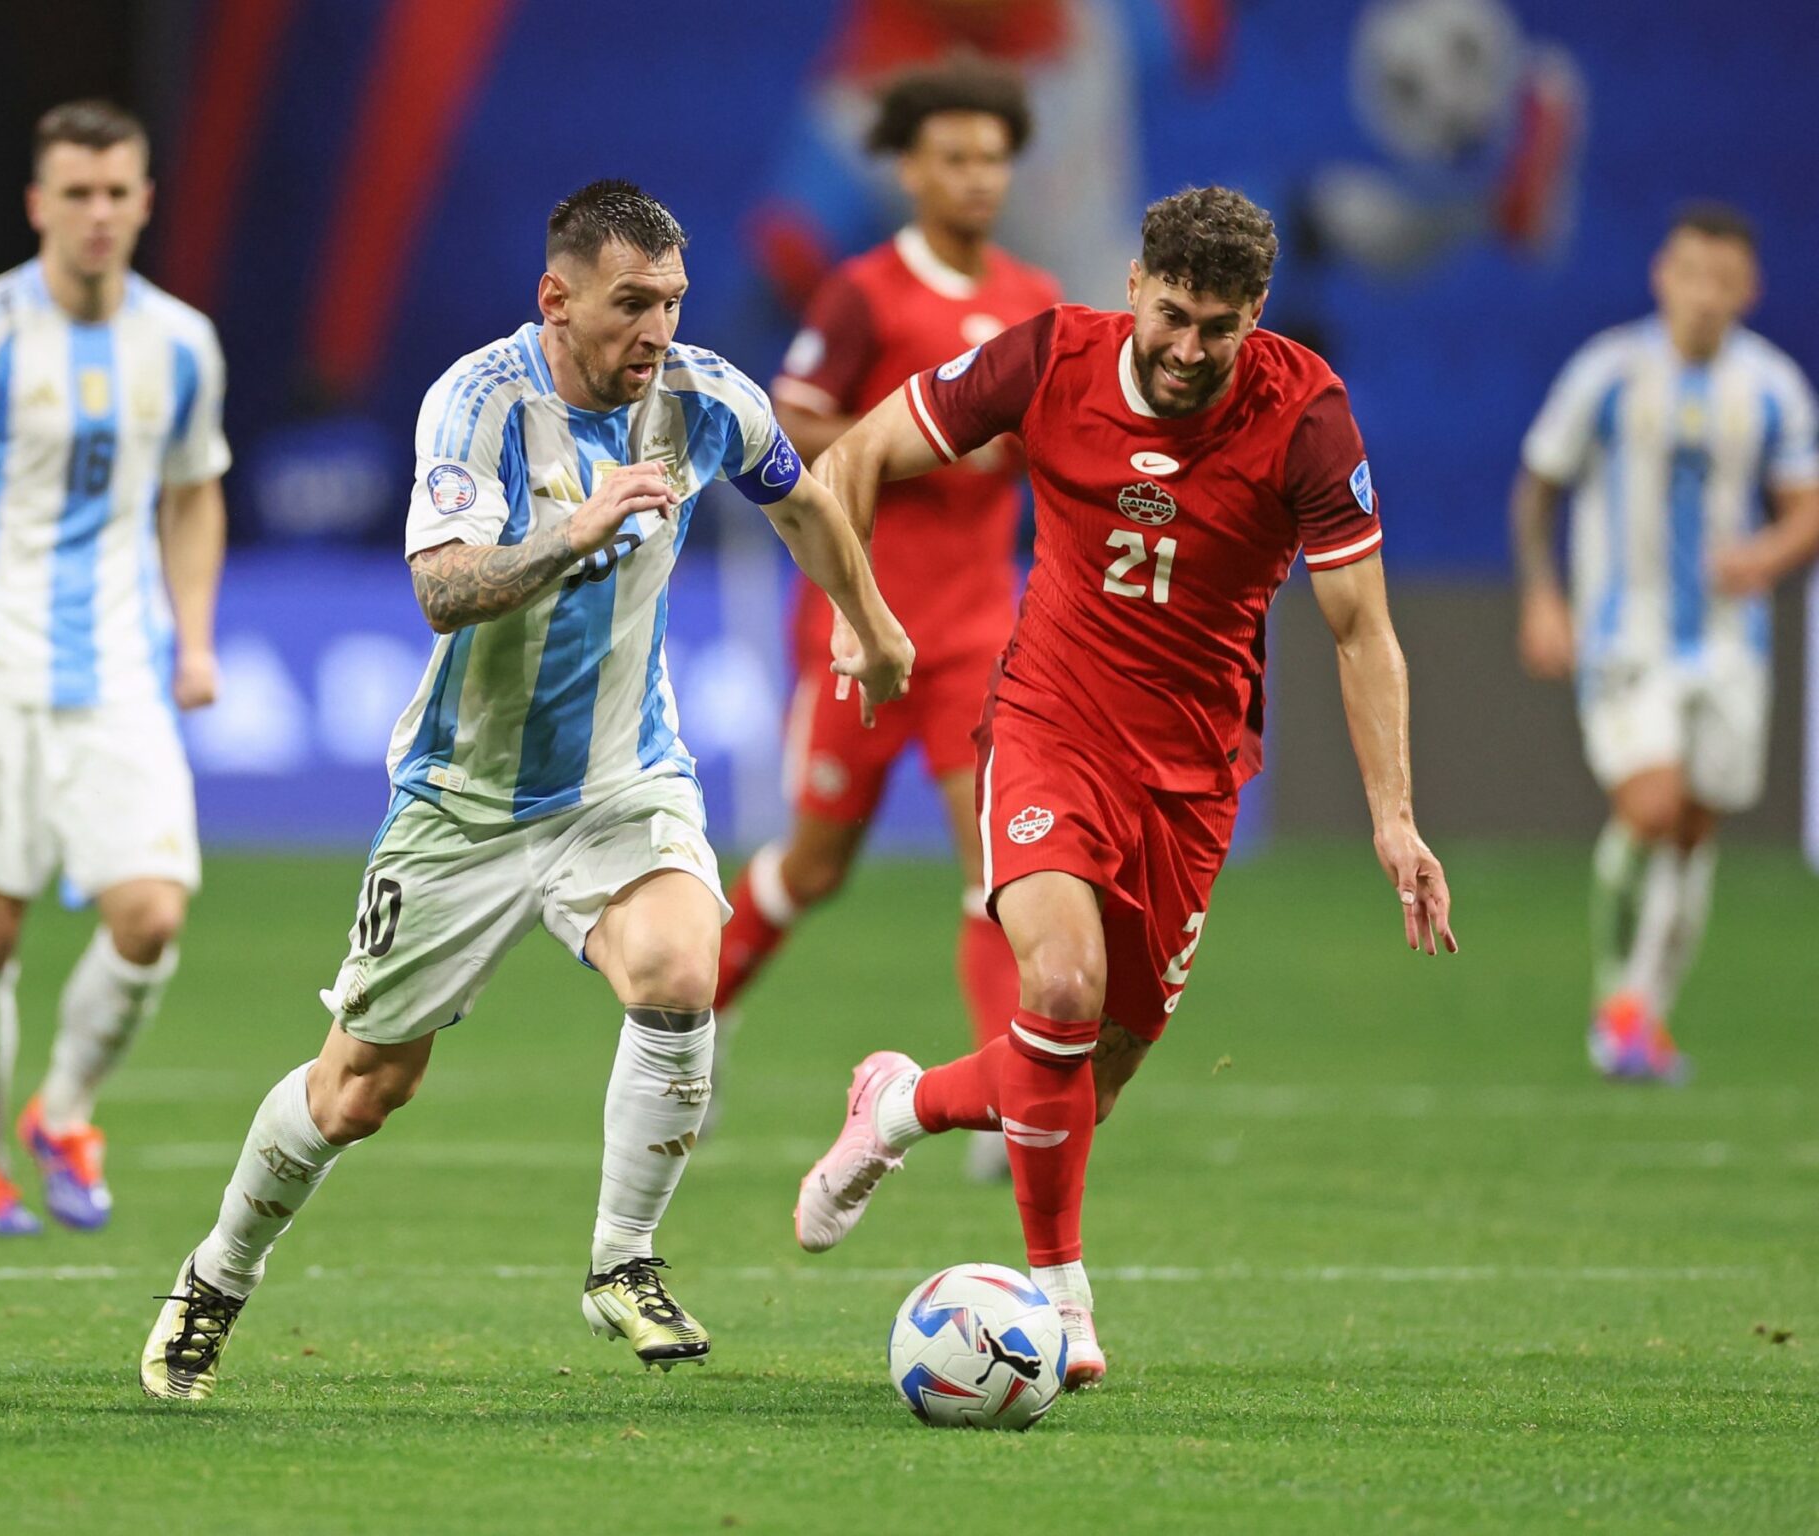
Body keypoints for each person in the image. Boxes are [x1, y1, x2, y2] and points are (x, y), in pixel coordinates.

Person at [136, 180, 914, 1400]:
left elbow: (802, 499)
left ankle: (623, 1262)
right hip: (464, 802)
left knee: (677, 967)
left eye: (670, 301)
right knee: (361, 1087)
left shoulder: (705, 396)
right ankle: (216, 1277)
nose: (653, 329)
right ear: (556, 299)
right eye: (627, 304)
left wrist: (868, 622)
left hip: (624, 778)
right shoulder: (481, 402)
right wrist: (578, 531)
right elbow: (442, 590)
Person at [790, 186, 1457, 1392]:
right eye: (1171, 315)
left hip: (1195, 772)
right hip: (1047, 720)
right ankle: (1060, 1296)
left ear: (1254, 313)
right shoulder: (1052, 357)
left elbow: (1361, 630)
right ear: (1135, 284)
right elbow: (858, 453)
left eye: (1218, 326)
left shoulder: (1304, 413)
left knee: (1084, 1079)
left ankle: (895, 1104)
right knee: (1057, 982)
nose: (1189, 348)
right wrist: (862, 617)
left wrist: (1394, 817)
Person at [0, 99, 230, 1236]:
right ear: (39, 203)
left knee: (150, 915)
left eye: (114, 192)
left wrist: (194, 638)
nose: (95, 213)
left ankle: (64, 1111)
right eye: (73, 193)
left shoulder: (180, 342)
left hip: (120, 677)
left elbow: (193, 491)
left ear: (143, 202)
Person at [717, 56, 1060, 1183]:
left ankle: (1006, 1100)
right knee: (811, 866)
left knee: (993, 865)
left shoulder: (1034, 303)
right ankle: (688, 1025)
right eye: (952, 157)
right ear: (909, 168)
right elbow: (787, 424)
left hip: (979, 629)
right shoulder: (864, 293)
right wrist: (916, 428)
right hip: (858, 624)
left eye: (992, 159)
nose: (975, 178)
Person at [1512, 203, 1819, 1083]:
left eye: (1725, 281)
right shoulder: (1609, 372)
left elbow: (1806, 508)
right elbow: (1539, 485)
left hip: (1729, 646)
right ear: (1663, 275)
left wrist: (1766, 554)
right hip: (1625, 635)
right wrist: (1542, 597)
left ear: (1748, 291)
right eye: (1693, 275)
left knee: (1692, 829)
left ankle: (1644, 1012)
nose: (1706, 296)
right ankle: (1619, 1001)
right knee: (1650, 806)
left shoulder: (1771, 388)